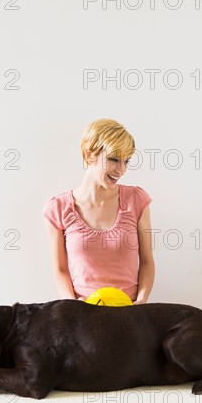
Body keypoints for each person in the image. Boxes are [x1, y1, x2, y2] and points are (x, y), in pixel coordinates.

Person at [42, 118, 155, 304]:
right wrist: (72, 304)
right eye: (113, 159)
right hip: (83, 313)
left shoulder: (136, 200)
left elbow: (147, 262)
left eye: (126, 161)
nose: (121, 169)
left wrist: (141, 301)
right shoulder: (58, 208)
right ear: (88, 155)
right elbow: (60, 270)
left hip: (129, 312)